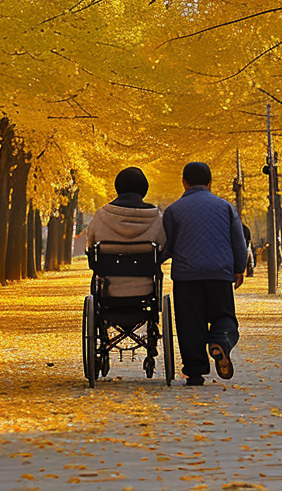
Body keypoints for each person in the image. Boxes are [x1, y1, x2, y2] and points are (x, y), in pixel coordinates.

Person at [161, 161, 249, 386]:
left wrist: (153, 262)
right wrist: (239, 268)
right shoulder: (225, 207)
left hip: (186, 277)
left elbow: (167, 245)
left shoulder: (173, 211)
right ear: (210, 183)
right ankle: (221, 340)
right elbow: (238, 240)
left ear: (184, 182)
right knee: (224, 316)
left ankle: (195, 371)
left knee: (190, 324)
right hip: (219, 274)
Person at [85, 167, 165, 297]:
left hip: (108, 288)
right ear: (144, 189)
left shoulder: (101, 216)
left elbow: (90, 244)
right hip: (145, 288)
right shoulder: (155, 217)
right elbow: (163, 244)